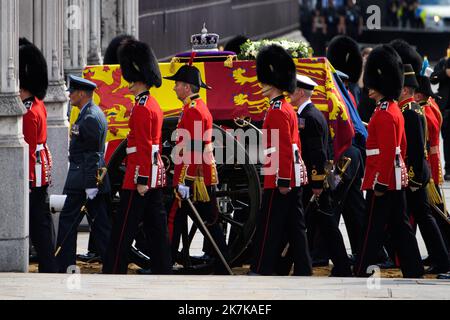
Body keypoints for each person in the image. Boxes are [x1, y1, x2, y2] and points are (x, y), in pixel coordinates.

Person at [102, 40, 172, 275]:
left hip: (139, 176)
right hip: (152, 173)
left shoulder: (142, 108)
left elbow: (143, 146)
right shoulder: (152, 104)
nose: (128, 85)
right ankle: (163, 267)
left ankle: (114, 267)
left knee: (123, 227)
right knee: (156, 226)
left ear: (138, 78)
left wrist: (141, 179)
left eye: (131, 80)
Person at [354, 45, 424, 278]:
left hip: (382, 179)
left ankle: (362, 268)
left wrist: (380, 182)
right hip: (393, 177)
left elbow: (386, 152)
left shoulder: (384, 113)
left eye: (373, 84)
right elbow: (399, 149)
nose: (369, 89)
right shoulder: (392, 109)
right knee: (400, 227)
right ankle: (413, 268)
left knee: (371, 227)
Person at [278, 74, 352, 277]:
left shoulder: (309, 117)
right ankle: (293, 265)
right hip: (315, 180)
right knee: (310, 225)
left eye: (292, 90)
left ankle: (341, 267)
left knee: (323, 226)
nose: (289, 93)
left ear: (300, 92)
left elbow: (317, 153)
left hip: (315, 182)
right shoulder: (311, 114)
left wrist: (317, 182)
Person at [249, 45, 311, 276]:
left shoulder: (277, 111)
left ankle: (262, 267)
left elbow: (283, 148)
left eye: (264, 80)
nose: (261, 84)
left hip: (279, 176)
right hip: (290, 173)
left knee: (269, 226)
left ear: (273, 82)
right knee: (296, 227)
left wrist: (282, 179)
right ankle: (304, 268)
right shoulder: (285, 108)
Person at [77, 34, 136, 265]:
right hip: (114, 152)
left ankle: (106, 250)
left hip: (116, 154)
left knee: (100, 205)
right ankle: (103, 248)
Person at [165, 64, 229, 274]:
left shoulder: (193, 111)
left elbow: (194, 148)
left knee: (176, 217)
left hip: (194, 176)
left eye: (177, 84)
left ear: (186, 87)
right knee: (208, 220)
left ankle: (168, 262)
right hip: (201, 174)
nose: (174, 88)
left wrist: (186, 180)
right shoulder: (195, 107)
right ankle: (221, 261)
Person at [55, 75, 111, 273]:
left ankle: (64, 265)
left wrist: (90, 185)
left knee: (68, 221)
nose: (70, 96)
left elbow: (92, 154)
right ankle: (112, 263)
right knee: (101, 225)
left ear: (81, 93)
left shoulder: (89, 117)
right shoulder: (90, 113)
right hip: (86, 179)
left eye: (72, 92)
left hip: (83, 181)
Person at [397, 64, 450, 275]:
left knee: (431, 216)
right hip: (424, 168)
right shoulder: (422, 107)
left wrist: (415, 176)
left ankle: (442, 257)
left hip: (421, 170)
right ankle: (439, 256)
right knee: (428, 216)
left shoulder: (416, 110)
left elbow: (420, 147)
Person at [19, 38, 56, 273]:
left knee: (38, 222)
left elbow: (31, 149)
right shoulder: (37, 105)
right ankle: (49, 261)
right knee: (41, 219)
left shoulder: (30, 112)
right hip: (40, 170)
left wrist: (29, 181)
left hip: (35, 173)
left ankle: (49, 263)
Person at [430, 49, 450, 180]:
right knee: (447, 139)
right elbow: (433, 79)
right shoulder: (443, 62)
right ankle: (448, 169)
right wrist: (445, 72)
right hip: (446, 108)